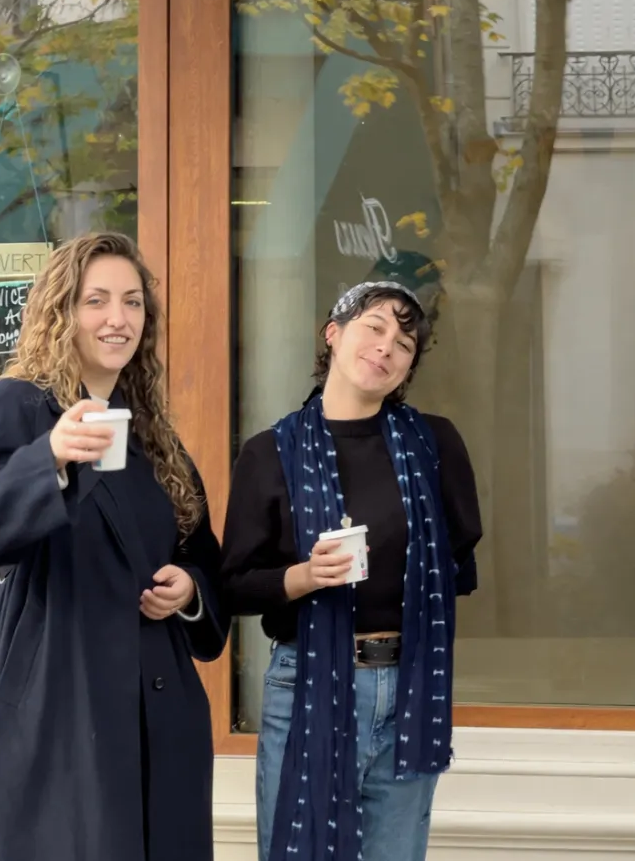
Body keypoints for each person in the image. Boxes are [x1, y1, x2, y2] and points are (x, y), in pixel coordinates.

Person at [0, 231, 228, 861]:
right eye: (97, 301)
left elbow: (203, 560)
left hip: (156, 705)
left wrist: (190, 591)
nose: (118, 319)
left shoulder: (153, 435)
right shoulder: (19, 405)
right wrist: (51, 459)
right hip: (57, 700)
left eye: (132, 302)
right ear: (61, 313)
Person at [221, 280, 482, 861]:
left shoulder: (434, 443)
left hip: (410, 687)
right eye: (375, 327)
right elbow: (234, 583)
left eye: (405, 343)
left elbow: (460, 561)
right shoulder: (270, 453)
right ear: (333, 334)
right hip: (308, 680)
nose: (388, 346)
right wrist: (306, 576)